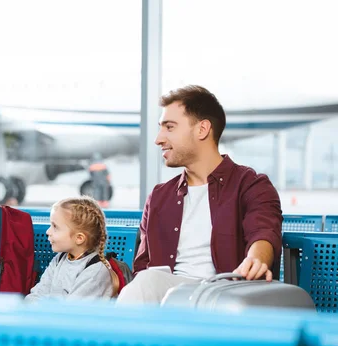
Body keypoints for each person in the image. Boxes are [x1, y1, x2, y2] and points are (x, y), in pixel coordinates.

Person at [117, 85, 283, 304]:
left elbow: (263, 232)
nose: (158, 139)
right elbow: (143, 266)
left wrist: (256, 259)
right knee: (147, 282)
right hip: (165, 300)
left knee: (148, 284)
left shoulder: (251, 185)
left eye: (169, 127)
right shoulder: (159, 197)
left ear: (202, 129)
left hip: (223, 296)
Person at [26, 196, 118, 301]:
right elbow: (38, 294)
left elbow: (72, 312)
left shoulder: (95, 271)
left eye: (55, 227)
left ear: (79, 238)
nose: (48, 232)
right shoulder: (59, 259)